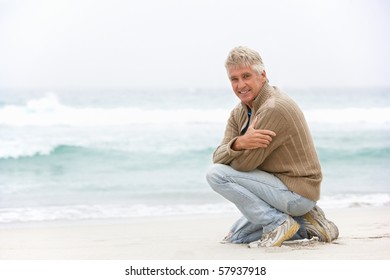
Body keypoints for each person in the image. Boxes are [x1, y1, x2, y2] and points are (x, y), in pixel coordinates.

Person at [206, 46, 338, 247]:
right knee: (236, 237)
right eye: (234, 79)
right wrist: (240, 143)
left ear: (262, 75)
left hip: (297, 193)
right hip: (275, 190)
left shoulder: (274, 108)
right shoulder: (239, 112)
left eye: (246, 76)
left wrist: (232, 151)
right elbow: (218, 156)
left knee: (215, 175)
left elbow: (243, 166)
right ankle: (309, 224)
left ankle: (278, 222)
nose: (240, 84)